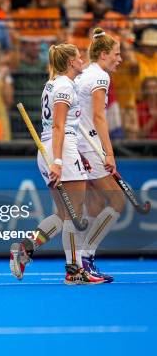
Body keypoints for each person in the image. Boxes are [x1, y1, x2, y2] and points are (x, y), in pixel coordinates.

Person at [9, 43, 104, 285]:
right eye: (79, 56)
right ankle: (74, 270)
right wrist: (61, 161)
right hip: (59, 149)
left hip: (52, 150)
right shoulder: (63, 86)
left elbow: (64, 126)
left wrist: (71, 157)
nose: (82, 59)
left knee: (63, 215)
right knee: (74, 215)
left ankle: (25, 247)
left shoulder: (55, 84)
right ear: (70, 62)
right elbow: (59, 126)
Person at [75, 28, 125, 282]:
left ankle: (80, 260)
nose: (120, 59)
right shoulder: (101, 78)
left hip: (78, 145)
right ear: (103, 54)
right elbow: (98, 117)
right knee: (118, 202)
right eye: (116, 54)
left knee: (94, 204)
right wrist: (110, 153)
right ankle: (86, 257)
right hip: (90, 147)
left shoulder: (84, 72)